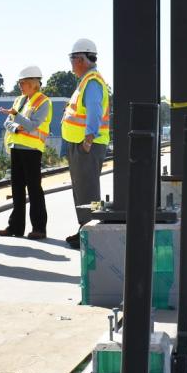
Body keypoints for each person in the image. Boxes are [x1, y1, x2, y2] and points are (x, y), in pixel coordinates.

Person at [62, 39, 110, 249]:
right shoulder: (86, 81)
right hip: (81, 144)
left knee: (88, 190)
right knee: (83, 190)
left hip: (87, 145)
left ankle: (92, 233)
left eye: (72, 59)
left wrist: (88, 140)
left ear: (81, 59)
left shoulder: (91, 82)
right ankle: (85, 230)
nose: (71, 64)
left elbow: (94, 111)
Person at [0, 66, 52, 240]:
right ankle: (15, 227)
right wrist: (16, 127)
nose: (20, 86)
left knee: (34, 189)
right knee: (17, 189)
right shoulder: (19, 100)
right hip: (16, 147)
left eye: (24, 83)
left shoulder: (44, 102)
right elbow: (7, 122)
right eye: (20, 83)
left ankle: (39, 228)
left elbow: (32, 125)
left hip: (32, 150)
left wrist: (17, 117)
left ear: (34, 84)